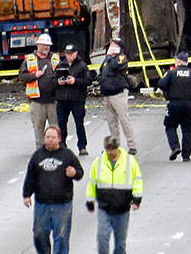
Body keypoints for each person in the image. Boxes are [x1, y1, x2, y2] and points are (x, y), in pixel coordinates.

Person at [22, 125, 83, 254]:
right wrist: (26, 195)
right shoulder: (38, 156)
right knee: (39, 234)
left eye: (53, 137)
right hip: (42, 203)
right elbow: (30, 177)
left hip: (62, 204)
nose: (50, 140)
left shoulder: (67, 155)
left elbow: (80, 172)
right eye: (47, 137)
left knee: (61, 237)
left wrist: (74, 173)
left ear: (59, 139)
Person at [86, 136, 144, 254]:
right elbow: (92, 182)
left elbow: (137, 181)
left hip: (122, 209)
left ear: (117, 148)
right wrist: (90, 200)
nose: (110, 152)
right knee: (102, 239)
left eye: (112, 149)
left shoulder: (129, 161)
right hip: (104, 207)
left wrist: (137, 199)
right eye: (107, 149)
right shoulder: (99, 162)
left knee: (120, 244)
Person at [157, 52, 191, 162]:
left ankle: (175, 147)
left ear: (178, 62)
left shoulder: (171, 73)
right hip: (190, 105)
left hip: (174, 104)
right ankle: (186, 155)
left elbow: (161, 84)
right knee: (188, 130)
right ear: (187, 62)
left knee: (170, 126)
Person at [19, 33, 60, 147]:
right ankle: (41, 151)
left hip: (53, 100)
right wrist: (34, 75)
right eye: (43, 45)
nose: (46, 48)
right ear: (38, 46)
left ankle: (55, 150)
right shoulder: (30, 59)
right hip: (37, 101)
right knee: (38, 127)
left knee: (55, 128)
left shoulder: (55, 59)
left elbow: (62, 73)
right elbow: (22, 77)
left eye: (47, 45)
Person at [98, 38, 137, 154]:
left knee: (124, 120)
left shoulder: (121, 57)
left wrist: (110, 56)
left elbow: (116, 66)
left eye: (112, 45)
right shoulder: (106, 59)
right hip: (107, 94)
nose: (110, 47)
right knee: (111, 122)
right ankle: (115, 146)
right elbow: (102, 72)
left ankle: (132, 145)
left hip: (118, 93)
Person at [55, 43, 92, 156]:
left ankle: (82, 146)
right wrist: (58, 82)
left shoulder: (82, 66)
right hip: (62, 99)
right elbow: (54, 79)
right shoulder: (60, 65)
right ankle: (62, 145)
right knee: (61, 124)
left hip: (77, 99)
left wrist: (75, 81)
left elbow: (88, 81)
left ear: (76, 54)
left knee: (79, 123)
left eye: (71, 54)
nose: (69, 56)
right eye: (67, 54)